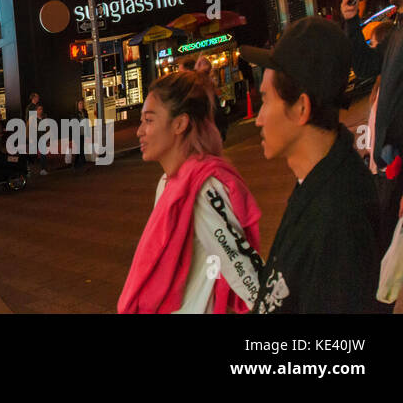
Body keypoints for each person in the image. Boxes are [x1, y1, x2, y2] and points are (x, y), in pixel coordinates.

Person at [246, 17, 384, 313]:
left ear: (301, 108)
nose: (258, 118)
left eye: (266, 100)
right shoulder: (317, 180)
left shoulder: (338, 220)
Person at [118, 71, 262, 314]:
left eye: (149, 120)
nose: (139, 131)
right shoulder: (169, 183)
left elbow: (246, 274)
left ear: (180, 123)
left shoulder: (203, 189)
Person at [343, 0, 403, 252]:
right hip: (391, 169)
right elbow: (365, 66)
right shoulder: (400, 27)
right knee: (382, 265)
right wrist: (349, 21)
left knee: (384, 268)